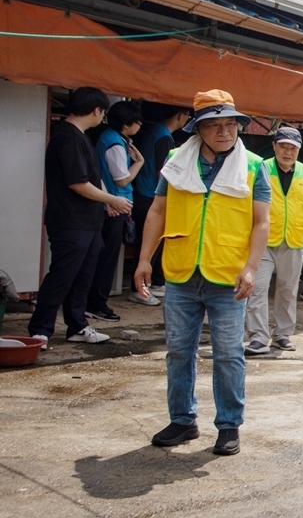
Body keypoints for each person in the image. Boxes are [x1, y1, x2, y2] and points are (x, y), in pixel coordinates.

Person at [134, 89, 269, 456]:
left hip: (228, 275)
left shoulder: (255, 165)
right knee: (179, 352)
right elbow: (158, 211)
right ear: (199, 129)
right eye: (214, 125)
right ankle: (182, 420)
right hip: (180, 271)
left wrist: (252, 268)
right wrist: (145, 259)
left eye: (231, 124)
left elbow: (261, 223)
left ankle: (228, 426)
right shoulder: (177, 161)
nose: (224, 132)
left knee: (228, 354)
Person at [28, 87, 132, 349]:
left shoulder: (82, 136)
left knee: (82, 275)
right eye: (103, 112)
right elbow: (77, 182)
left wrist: (107, 201)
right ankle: (40, 330)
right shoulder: (67, 137)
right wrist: (111, 199)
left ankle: (77, 325)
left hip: (89, 220)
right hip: (69, 220)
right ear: (97, 110)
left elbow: (93, 177)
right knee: (62, 275)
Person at [244, 127, 303, 355]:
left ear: (299, 150)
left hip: (294, 241)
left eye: (293, 148)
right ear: (275, 146)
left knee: (288, 289)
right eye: (283, 146)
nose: (288, 152)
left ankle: (282, 335)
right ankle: (258, 337)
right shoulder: (261, 168)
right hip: (263, 241)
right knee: (257, 288)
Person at [84, 101, 145, 323]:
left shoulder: (109, 138)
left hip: (109, 204)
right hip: (113, 206)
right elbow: (121, 179)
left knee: (103, 257)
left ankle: (92, 302)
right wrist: (139, 162)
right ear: (128, 124)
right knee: (107, 258)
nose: (139, 126)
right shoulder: (115, 144)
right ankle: (96, 304)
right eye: (137, 122)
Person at [130, 103, 190, 306]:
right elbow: (163, 172)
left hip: (144, 192)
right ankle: (142, 287)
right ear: (180, 115)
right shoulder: (164, 137)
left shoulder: (156, 131)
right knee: (151, 241)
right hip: (150, 195)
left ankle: (153, 283)